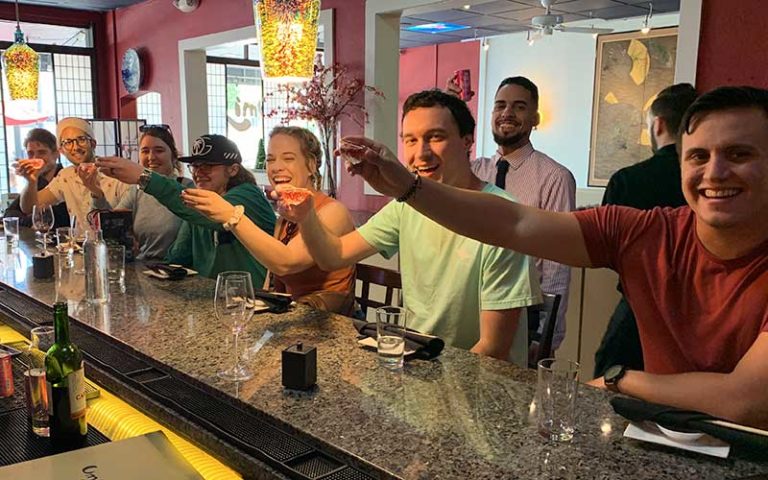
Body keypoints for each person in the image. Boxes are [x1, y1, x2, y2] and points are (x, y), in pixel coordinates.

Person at [340, 86, 768, 428]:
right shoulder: (646, 231)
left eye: (739, 154)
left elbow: (745, 400)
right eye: (698, 156)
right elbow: (515, 223)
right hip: (663, 438)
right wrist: (405, 187)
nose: (714, 173)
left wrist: (624, 379)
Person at [280, 90, 541, 364]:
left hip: (481, 384)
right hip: (419, 365)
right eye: (411, 140)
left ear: (467, 141)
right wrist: (307, 215)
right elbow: (332, 256)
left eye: (436, 137)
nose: (421, 153)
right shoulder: (406, 205)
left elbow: (494, 348)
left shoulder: (498, 214)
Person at [181, 126, 356, 315]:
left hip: (330, 322)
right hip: (294, 316)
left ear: (312, 165)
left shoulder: (333, 211)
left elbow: (286, 262)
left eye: (288, 158)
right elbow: (274, 278)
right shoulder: (285, 217)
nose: (276, 167)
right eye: (271, 159)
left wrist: (232, 216)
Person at [594, 83, 698, 377]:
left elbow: (608, 251)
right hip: (706, 317)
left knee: (611, 379)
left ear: (658, 124)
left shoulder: (627, 181)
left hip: (637, 314)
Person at [468, 76, 575, 350]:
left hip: (523, 311)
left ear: (535, 118)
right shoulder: (476, 171)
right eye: (500, 105)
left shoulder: (554, 177)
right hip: (470, 304)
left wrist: (547, 334)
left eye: (518, 107)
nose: (507, 113)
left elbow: (557, 262)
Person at [96, 134, 276, 286]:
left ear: (233, 169)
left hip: (255, 300)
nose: (199, 172)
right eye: (196, 166)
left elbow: (214, 216)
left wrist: (145, 178)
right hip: (213, 299)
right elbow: (177, 257)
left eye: (208, 166)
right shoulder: (198, 203)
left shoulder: (248, 195)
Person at [91, 125, 193, 260]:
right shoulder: (137, 190)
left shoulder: (187, 187)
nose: (151, 157)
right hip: (147, 268)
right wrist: (95, 190)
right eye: (145, 151)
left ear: (174, 156)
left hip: (180, 271)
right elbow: (112, 225)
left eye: (159, 150)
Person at [16, 117, 130, 230]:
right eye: (68, 142)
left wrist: (95, 190)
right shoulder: (66, 176)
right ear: (62, 151)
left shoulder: (114, 172)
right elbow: (29, 207)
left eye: (81, 139)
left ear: (93, 144)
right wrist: (31, 181)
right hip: (79, 246)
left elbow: (123, 223)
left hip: (115, 246)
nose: (75, 147)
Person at [4, 128, 68, 228]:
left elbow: (55, 219)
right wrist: (30, 182)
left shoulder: (66, 178)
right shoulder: (35, 181)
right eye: (30, 153)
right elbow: (10, 214)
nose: (35, 158)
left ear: (56, 153)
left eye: (42, 152)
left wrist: (30, 219)